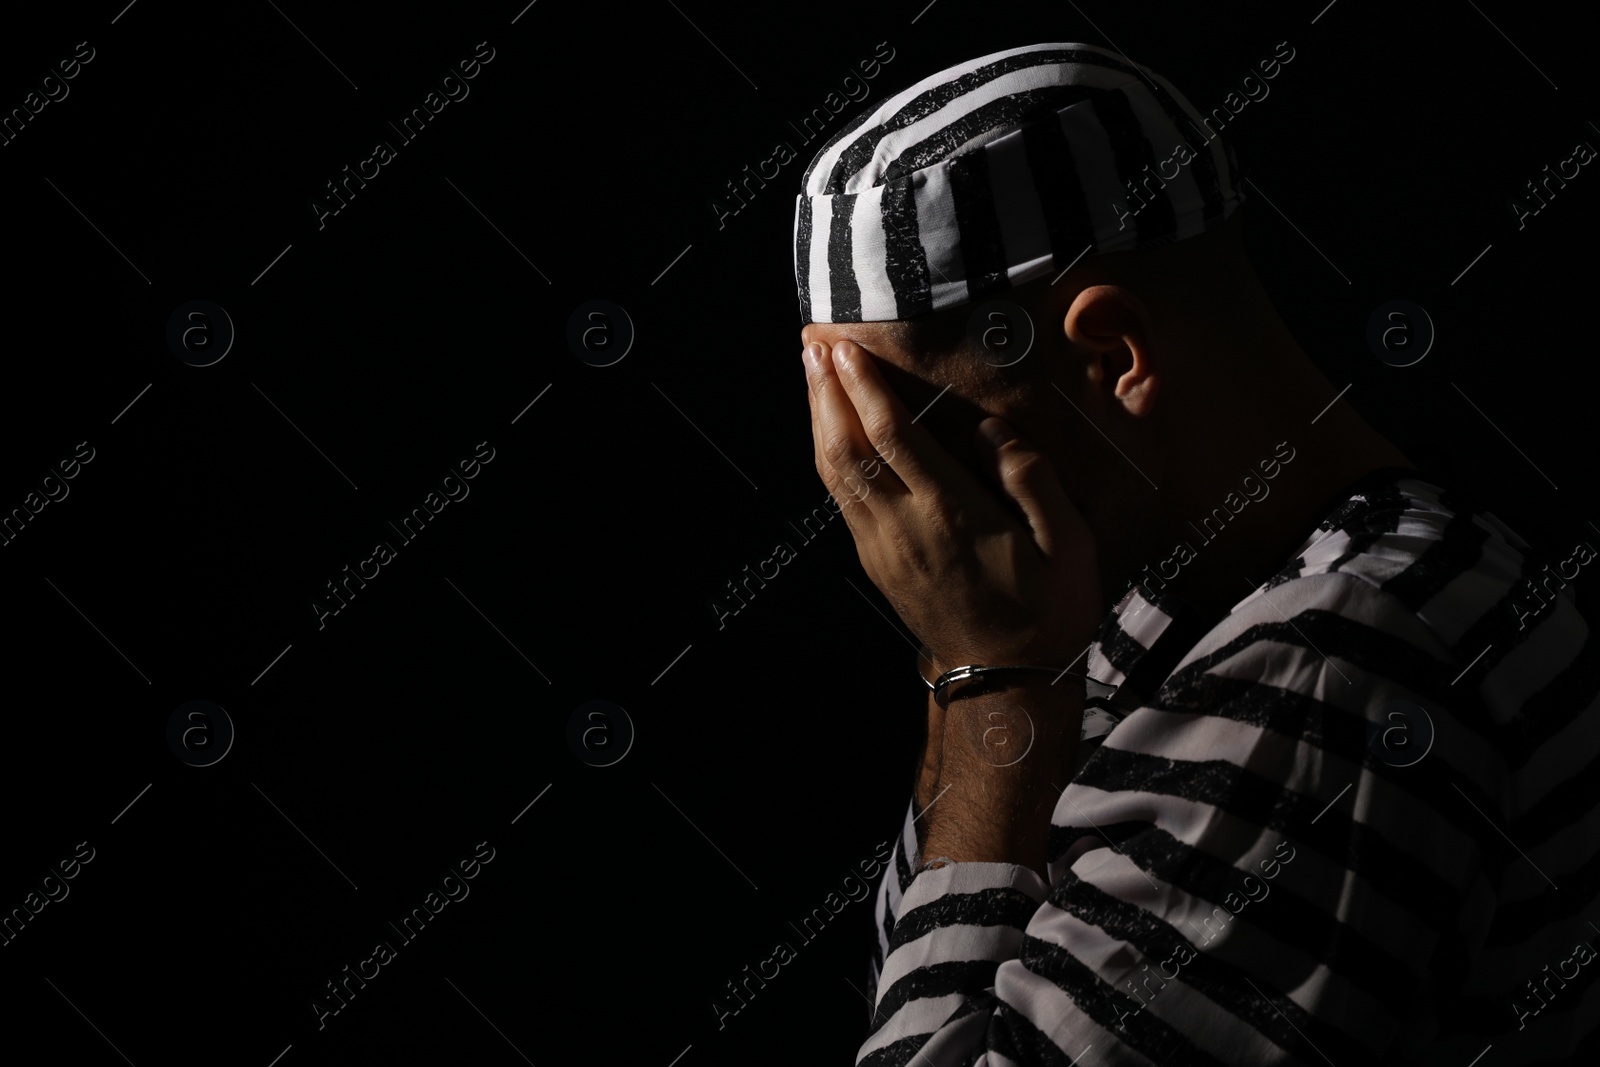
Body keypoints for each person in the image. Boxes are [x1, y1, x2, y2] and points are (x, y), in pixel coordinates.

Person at [794, 41, 1600, 1065]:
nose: (902, 513)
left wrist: (986, 684)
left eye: (911, 433)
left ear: (1111, 354)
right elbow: (943, 981)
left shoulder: (1336, 660)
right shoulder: (1143, 596)